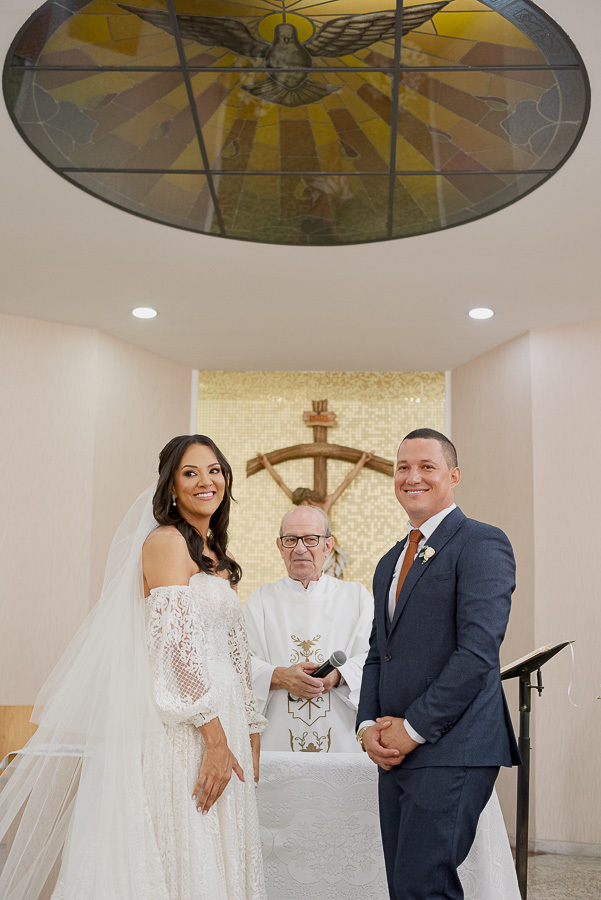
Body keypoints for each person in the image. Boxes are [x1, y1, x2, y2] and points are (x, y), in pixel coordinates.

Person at [0, 434, 268, 899]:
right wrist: (217, 740)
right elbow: (174, 653)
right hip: (188, 727)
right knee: (188, 843)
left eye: (214, 470)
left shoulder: (219, 560)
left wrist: (250, 736)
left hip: (226, 723)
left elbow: (236, 657)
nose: (206, 481)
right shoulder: (165, 543)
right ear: (170, 488)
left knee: (223, 848)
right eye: (190, 473)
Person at [357, 428, 520, 900]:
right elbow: (376, 653)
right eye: (403, 467)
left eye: (427, 467)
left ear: (453, 475)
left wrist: (414, 728)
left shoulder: (481, 542)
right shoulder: (390, 560)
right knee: (405, 888)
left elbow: (477, 653)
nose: (413, 477)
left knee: (424, 887)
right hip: (394, 750)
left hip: (454, 745)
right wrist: (368, 725)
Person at [243, 504, 373, 753]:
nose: (300, 549)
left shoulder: (356, 597)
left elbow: (377, 660)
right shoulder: (259, 601)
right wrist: (280, 676)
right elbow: (237, 665)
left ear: (328, 545)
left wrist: (339, 676)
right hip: (276, 745)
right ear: (280, 547)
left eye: (310, 539)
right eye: (291, 540)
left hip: (342, 745)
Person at [255, 451, 373, 577]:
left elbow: (346, 482)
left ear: (307, 499)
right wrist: (265, 462)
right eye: (300, 505)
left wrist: (362, 461)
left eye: (304, 503)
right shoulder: (300, 506)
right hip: (306, 548)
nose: (304, 509)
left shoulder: (325, 505)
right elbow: (280, 483)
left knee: (328, 578)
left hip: (323, 547)